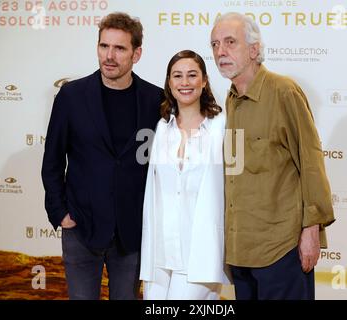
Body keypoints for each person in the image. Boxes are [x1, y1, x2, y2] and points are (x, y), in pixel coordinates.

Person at [210, 12, 335, 300]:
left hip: (281, 250)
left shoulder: (284, 92)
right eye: (215, 44)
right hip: (241, 251)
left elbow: (311, 163)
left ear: (254, 49)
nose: (220, 52)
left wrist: (311, 232)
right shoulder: (230, 100)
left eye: (230, 42)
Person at [41, 12, 162, 300]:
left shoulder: (154, 99)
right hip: (81, 229)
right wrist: (61, 214)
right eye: (104, 46)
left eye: (120, 48)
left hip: (131, 234)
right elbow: (53, 161)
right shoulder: (71, 96)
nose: (109, 56)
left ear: (137, 53)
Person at [139, 50, 230, 300]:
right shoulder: (159, 127)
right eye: (177, 76)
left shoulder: (224, 125)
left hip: (201, 252)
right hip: (159, 252)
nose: (185, 82)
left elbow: (238, 183)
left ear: (204, 80)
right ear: (169, 82)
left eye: (192, 75)